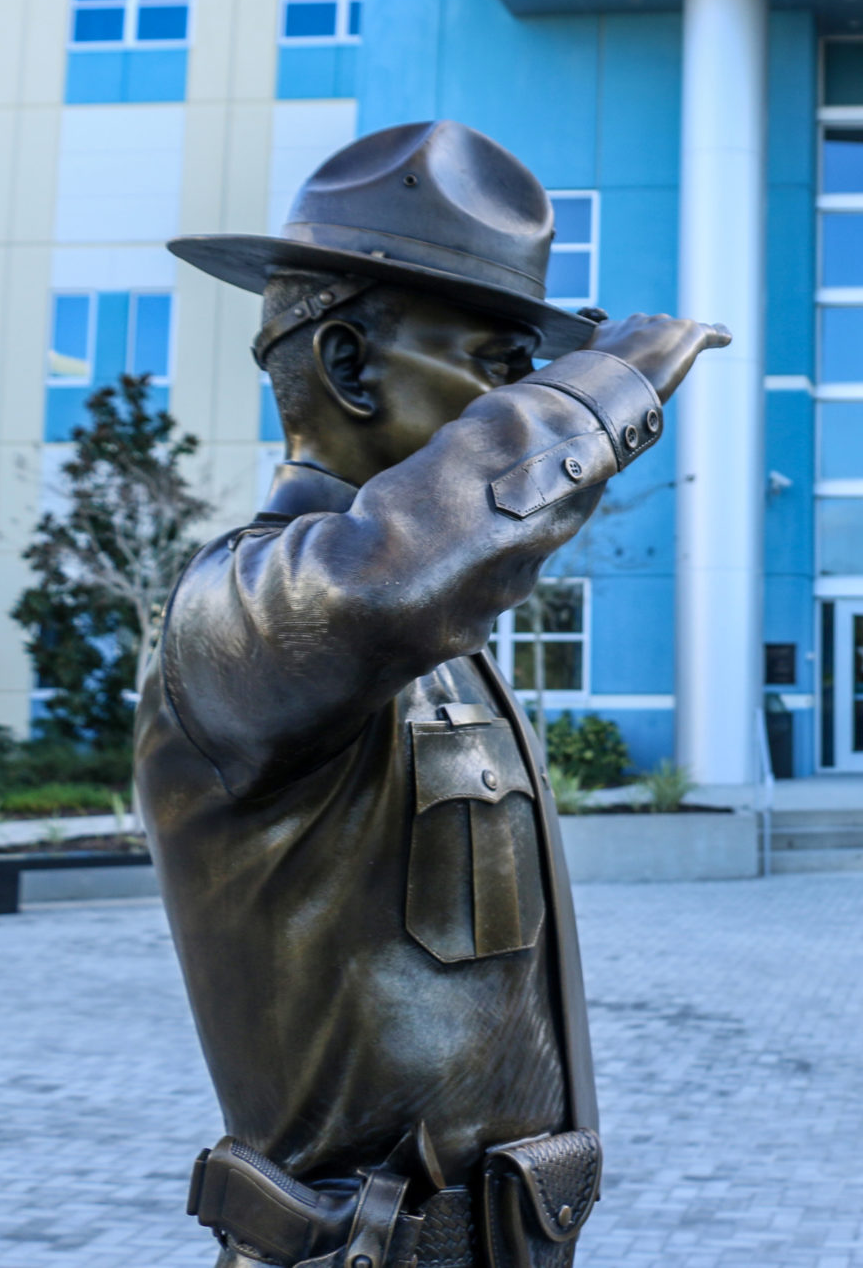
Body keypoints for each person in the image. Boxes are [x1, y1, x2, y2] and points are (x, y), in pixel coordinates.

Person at [139, 120, 726, 1268]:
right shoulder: (245, 614)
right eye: (504, 367)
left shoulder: (424, 638)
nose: (534, 393)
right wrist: (595, 397)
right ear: (351, 366)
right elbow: (387, 582)